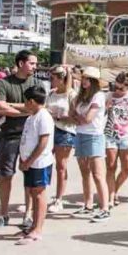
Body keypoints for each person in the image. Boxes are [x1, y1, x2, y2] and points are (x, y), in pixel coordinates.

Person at [0, 50, 38, 231]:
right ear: (20, 63)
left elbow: (40, 107)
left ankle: (28, 215)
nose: (35, 66)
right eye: (32, 63)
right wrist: (27, 109)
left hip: (30, 137)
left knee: (30, 177)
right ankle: (3, 214)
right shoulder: (4, 83)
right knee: (5, 175)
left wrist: (13, 106)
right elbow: (0, 107)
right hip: (9, 135)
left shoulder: (37, 83)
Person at [71, 66, 111, 222]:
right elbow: (73, 114)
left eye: (88, 79)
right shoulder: (82, 96)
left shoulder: (98, 96)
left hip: (94, 135)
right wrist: (79, 116)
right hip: (81, 134)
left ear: (94, 81)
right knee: (85, 172)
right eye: (83, 78)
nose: (84, 81)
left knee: (98, 174)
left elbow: (87, 118)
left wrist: (78, 116)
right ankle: (88, 204)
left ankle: (105, 207)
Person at [16, 86, 54, 245]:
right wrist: (23, 159)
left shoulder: (43, 117)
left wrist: (30, 161)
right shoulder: (32, 116)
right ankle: (33, 225)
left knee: (39, 194)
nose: (25, 104)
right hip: (29, 163)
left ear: (31, 101)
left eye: (26, 101)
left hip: (39, 163)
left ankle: (38, 229)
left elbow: (43, 143)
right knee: (32, 192)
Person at [105, 72, 128, 207]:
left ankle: (115, 189)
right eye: (116, 87)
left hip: (126, 134)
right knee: (110, 166)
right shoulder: (108, 96)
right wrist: (106, 107)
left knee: (127, 168)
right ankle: (110, 196)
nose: (118, 91)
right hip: (110, 134)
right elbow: (100, 115)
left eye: (121, 89)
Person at [45, 66, 77, 213]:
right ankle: (41, 196)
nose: (51, 80)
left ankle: (59, 198)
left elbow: (75, 117)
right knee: (44, 163)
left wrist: (58, 116)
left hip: (65, 131)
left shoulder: (71, 95)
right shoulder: (51, 93)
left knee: (61, 166)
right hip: (49, 129)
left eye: (53, 78)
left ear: (60, 79)